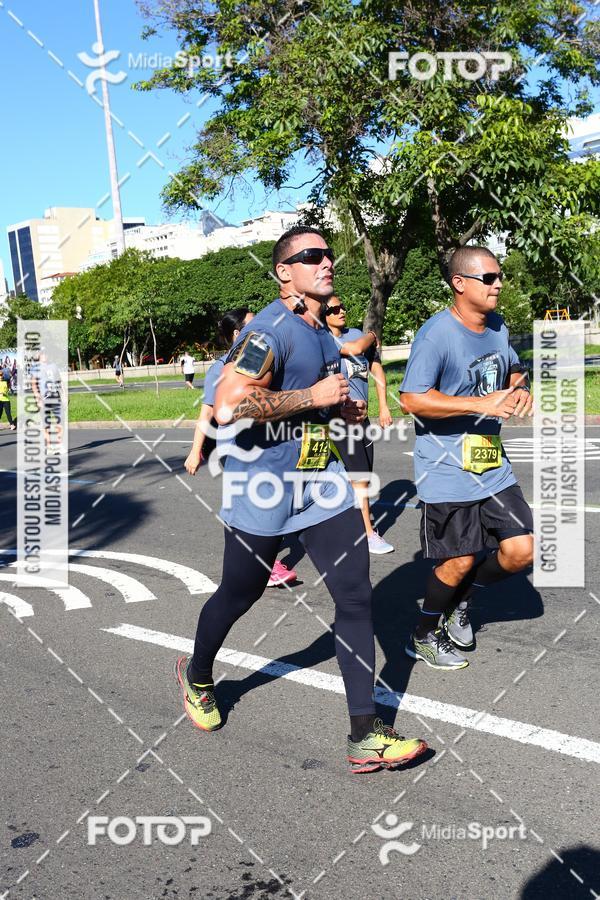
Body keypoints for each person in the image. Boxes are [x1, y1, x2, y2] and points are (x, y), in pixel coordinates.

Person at [176, 224, 427, 772]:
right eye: (311, 255)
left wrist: (335, 410)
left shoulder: (319, 328)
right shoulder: (269, 330)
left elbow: (311, 401)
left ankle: (364, 732)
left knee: (357, 597)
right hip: (262, 488)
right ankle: (197, 674)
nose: (326, 261)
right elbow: (228, 406)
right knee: (239, 594)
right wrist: (311, 395)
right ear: (284, 271)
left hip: (321, 482)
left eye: (328, 253)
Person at [400, 246, 534, 670]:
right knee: (457, 560)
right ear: (460, 284)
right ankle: (421, 635)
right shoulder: (436, 335)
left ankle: (461, 603)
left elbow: (513, 368)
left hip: (491, 464)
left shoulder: (497, 326)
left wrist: (519, 388)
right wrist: (479, 404)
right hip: (446, 468)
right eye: (488, 278)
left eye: (500, 277)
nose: (498, 285)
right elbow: (412, 399)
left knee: (521, 551)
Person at [185, 307, 297, 588]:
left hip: (265, 442)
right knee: (259, 504)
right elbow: (207, 413)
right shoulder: (221, 368)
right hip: (236, 447)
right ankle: (264, 566)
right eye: (253, 324)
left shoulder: (265, 359)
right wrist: (195, 450)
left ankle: (253, 561)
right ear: (238, 334)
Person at [324, 296, 395, 554]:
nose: (341, 310)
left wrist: (383, 406)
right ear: (324, 314)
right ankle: (368, 533)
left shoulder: (354, 333)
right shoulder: (323, 339)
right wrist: (371, 335)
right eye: (333, 309)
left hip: (362, 419)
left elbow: (375, 368)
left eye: (343, 306)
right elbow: (353, 349)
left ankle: (351, 523)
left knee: (363, 472)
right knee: (359, 478)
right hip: (339, 420)